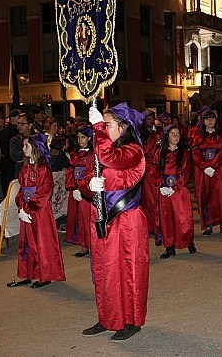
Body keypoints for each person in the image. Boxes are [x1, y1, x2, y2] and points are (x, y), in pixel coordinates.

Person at [82, 102, 148, 341]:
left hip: (126, 219)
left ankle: (130, 320)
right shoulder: (101, 149)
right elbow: (91, 172)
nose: (102, 128)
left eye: (108, 125)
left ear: (122, 127)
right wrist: (90, 184)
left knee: (128, 271)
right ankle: (108, 317)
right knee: (103, 270)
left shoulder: (133, 151)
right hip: (101, 218)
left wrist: (98, 127)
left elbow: (110, 158)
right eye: (104, 125)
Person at [6, 133, 66, 289]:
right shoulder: (25, 169)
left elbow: (43, 192)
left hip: (39, 212)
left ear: (35, 148)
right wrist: (21, 207)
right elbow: (21, 190)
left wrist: (28, 208)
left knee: (41, 243)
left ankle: (44, 275)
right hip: (26, 211)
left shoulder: (43, 169)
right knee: (27, 243)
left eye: (26, 145)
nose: (23, 148)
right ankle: (28, 273)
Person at [151, 124, 196, 258]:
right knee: (166, 219)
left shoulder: (184, 152)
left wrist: (175, 187)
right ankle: (169, 247)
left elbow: (185, 171)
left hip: (179, 189)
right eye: (173, 134)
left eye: (178, 134)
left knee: (184, 219)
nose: (176, 136)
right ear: (167, 136)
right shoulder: (159, 153)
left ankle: (188, 241)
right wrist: (161, 185)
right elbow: (154, 169)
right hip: (164, 190)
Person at [190, 109, 222, 236]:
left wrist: (214, 165)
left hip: (219, 169)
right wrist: (204, 167)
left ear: (216, 120)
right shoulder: (198, 136)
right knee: (205, 195)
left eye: (212, 118)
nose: (210, 121)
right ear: (203, 121)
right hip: (203, 170)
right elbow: (195, 152)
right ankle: (208, 225)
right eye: (207, 119)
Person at [64, 126, 94, 257]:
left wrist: (82, 189)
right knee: (77, 218)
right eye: (78, 138)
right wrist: (72, 187)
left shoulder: (92, 155)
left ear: (89, 138)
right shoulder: (74, 154)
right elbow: (70, 172)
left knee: (87, 218)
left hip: (86, 191)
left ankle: (92, 245)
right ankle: (83, 245)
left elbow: (90, 173)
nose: (80, 140)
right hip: (75, 189)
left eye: (83, 137)